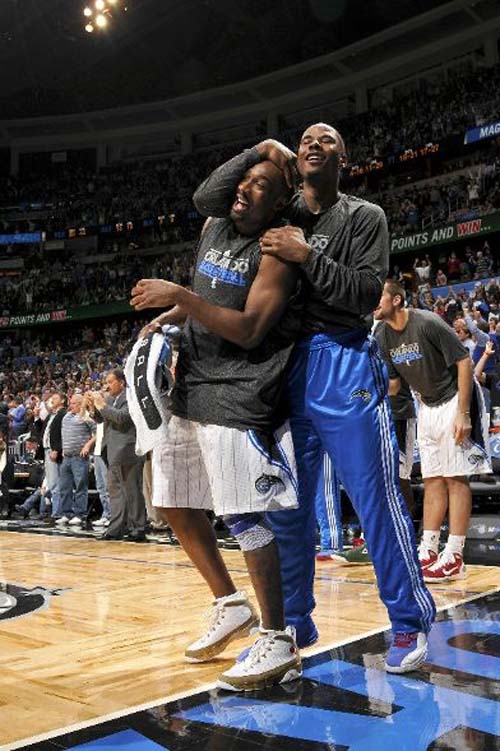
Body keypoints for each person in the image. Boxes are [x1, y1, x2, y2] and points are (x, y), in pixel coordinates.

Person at [192, 125, 436, 674]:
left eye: (327, 138)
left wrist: (307, 258)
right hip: (286, 368)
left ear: (343, 157)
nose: (313, 142)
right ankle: (295, 621)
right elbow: (209, 200)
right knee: (287, 510)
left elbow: (368, 294)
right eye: (305, 138)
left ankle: (408, 621)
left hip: (344, 359)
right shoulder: (282, 212)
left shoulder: (363, 216)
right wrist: (256, 150)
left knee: (375, 501)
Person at [130, 149, 302, 691]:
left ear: (280, 203)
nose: (244, 190)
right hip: (193, 379)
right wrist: (169, 314)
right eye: (243, 181)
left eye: (260, 186)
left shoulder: (275, 248)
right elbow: (206, 197)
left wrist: (180, 295)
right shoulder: (215, 224)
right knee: (172, 499)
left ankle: (277, 638)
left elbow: (250, 328)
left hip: (237, 388)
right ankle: (229, 603)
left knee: (243, 515)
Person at [374, 279, 491, 582]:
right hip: (425, 404)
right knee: (432, 478)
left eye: (379, 297)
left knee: (455, 476)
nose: (373, 302)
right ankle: (428, 548)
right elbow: (395, 384)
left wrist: (463, 414)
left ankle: (454, 554)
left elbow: (464, 362)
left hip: (456, 398)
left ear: (397, 300)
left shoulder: (426, 322)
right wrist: (360, 391)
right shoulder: (382, 334)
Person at [85, 369, 147, 541]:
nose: (107, 385)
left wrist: (102, 405)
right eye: (106, 382)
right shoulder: (111, 398)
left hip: (128, 450)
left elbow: (121, 418)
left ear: (121, 382)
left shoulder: (131, 398)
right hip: (112, 450)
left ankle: (138, 527)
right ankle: (116, 528)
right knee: (115, 492)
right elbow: (101, 419)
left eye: (111, 382)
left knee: (132, 490)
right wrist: (93, 408)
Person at [57, 394, 95, 526]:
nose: (70, 405)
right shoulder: (66, 417)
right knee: (64, 487)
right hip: (66, 457)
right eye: (70, 403)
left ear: (80, 404)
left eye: (73, 403)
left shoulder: (87, 417)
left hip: (80, 457)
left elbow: (96, 434)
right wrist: (63, 448)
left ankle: (80, 514)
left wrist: (87, 445)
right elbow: (64, 434)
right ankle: (66, 513)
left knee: (80, 486)